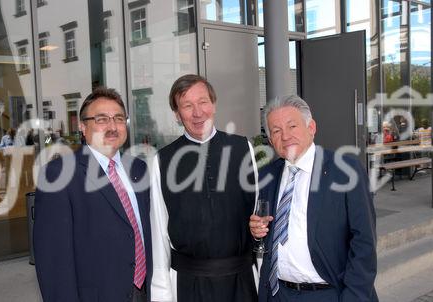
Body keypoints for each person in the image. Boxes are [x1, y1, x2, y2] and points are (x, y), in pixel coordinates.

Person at [250, 95, 377, 302]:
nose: (285, 136)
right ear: (271, 140)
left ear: (311, 127)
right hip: (278, 293)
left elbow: (364, 243)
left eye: (292, 126)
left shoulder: (345, 170)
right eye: (276, 131)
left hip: (328, 294)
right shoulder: (268, 176)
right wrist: (257, 233)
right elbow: (268, 236)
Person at [34, 87, 152, 302]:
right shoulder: (58, 175)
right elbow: (54, 260)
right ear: (82, 127)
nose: (112, 126)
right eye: (101, 119)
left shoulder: (138, 168)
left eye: (118, 118)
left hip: (144, 291)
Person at [150, 74, 258, 302]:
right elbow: (159, 231)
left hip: (242, 281)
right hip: (189, 284)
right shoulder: (163, 160)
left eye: (203, 102)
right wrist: (162, 293)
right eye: (187, 106)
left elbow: (258, 214)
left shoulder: (243, 148)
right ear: (177, 115)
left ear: (214, 105)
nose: (197, 113)